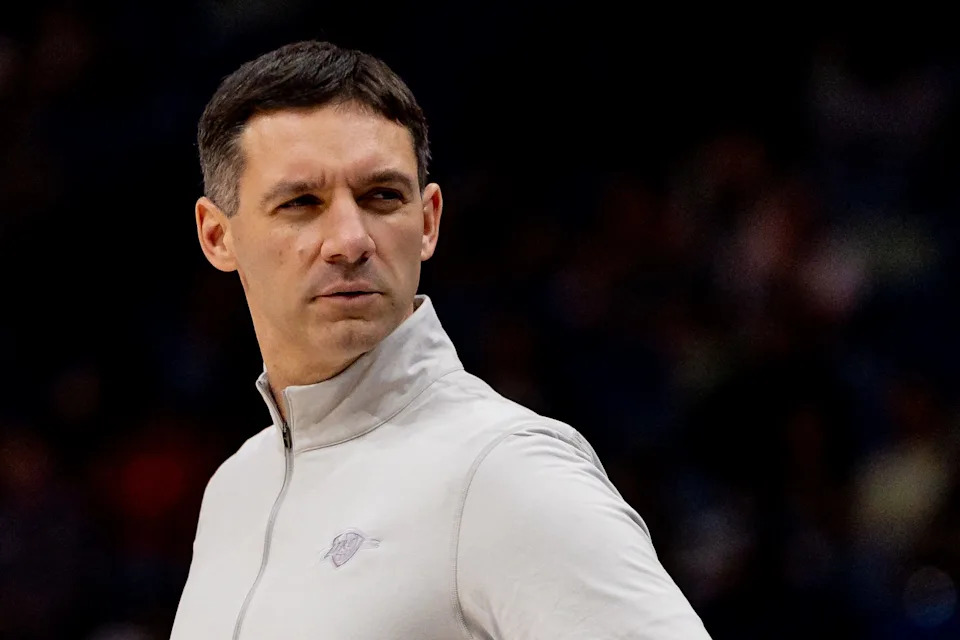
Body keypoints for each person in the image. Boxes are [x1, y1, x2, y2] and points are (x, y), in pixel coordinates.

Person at [170, 40, 711, 639]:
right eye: (302, 202)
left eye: (382, 197)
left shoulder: (504, 469)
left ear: (427, 221)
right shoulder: (234, 490)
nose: (350, 240)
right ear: (217, 236)